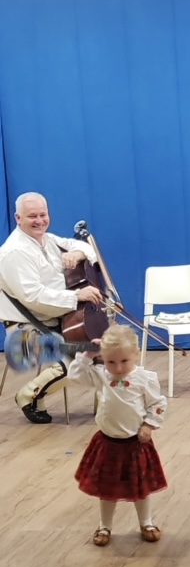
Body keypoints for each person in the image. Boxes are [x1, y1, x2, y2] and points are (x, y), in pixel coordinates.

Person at [0, 192, 103, 424]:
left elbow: (85, 247)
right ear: (18, 218)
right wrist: (76, 296)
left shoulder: (49, 239)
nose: (39, 221)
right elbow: (34, 297)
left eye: (43, 215)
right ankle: (28, 395)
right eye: (32, 216)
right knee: (73, 362)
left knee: (105, 346)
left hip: (57, 319)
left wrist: (77, 253)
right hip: (26, 328)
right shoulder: (14, 252)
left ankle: (108, 406)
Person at [67, 324, 168, 547]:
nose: (118, 368)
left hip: (136, 444)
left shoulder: (144, 378)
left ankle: (146, 522)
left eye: (124, 361)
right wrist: (87, 356)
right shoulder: (100, 375)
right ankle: (105, 526)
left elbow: (158, 404)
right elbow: (74, 376)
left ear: (136, 354)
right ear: (103, 358)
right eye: (111, 362)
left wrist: (149, 425)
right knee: (107, 490)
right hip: (108, 444)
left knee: (140, 488)